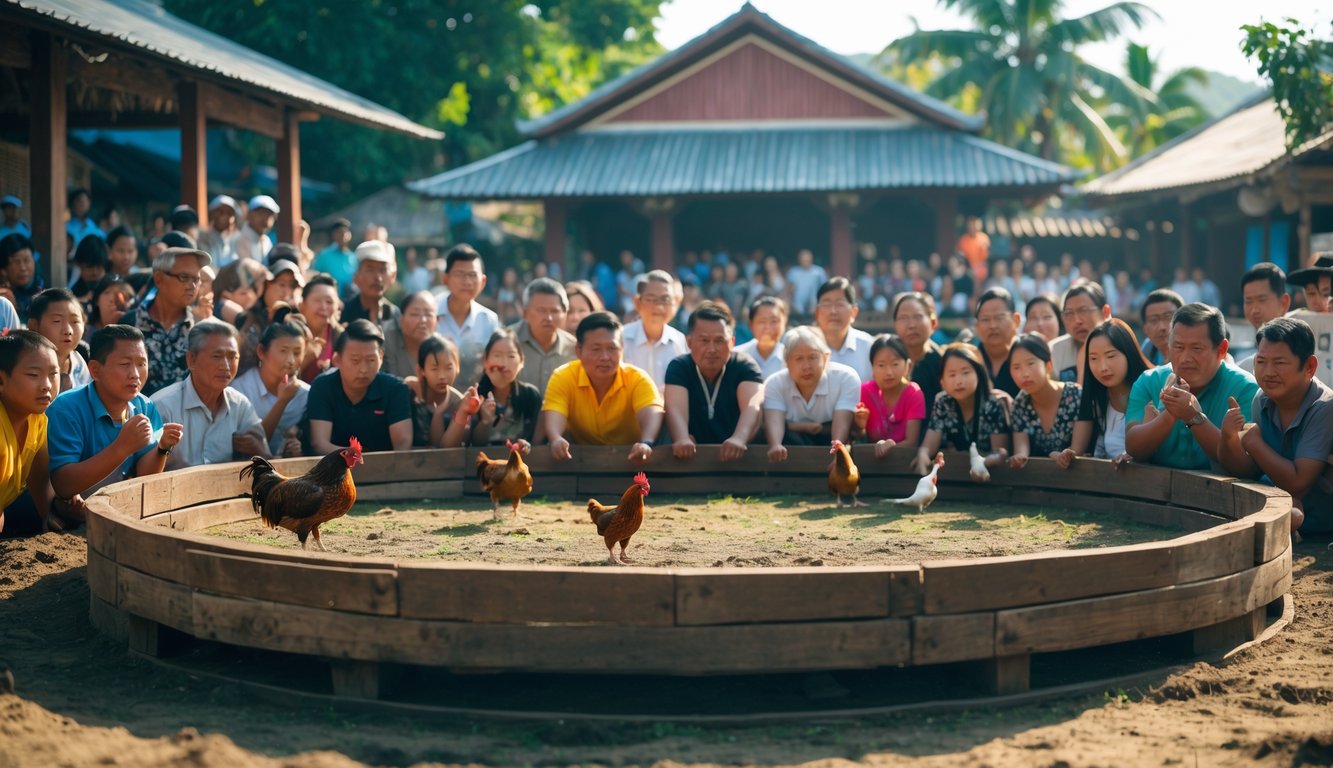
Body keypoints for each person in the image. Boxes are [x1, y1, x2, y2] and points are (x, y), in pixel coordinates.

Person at [1219, 317, 1332, 536]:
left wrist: (1253, 442)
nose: (1268, 372)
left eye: (1279, 363)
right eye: (1261, 362)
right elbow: (1248, 469)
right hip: (1283, 503)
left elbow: (1299, 484)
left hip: (1321, 521)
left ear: (1309, 367)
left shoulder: (1325, 407)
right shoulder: (1262, 399)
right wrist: (1229, 437)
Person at [46, 325, 183, 500]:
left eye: (141, 364)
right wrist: (122, 447)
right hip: (71, 517)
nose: (135, 374)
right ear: (95, 370)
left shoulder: (144, 406)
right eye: (125, 364)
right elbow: (63, 485)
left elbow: (145, 476)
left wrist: (163, 448)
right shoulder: (66, 408)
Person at [1125, 303, 1259, 470]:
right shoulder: (1149, 381)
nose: (1185, 358)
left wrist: (1194, 417)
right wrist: (1169, 415)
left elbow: (1244, 466)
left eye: (1196, 348)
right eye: (1179, 347)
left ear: (1222, 349)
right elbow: (1134, 448)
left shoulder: (1246, 388)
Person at [542, 311, 664, 462]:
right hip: (581, 462)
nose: (605, 357)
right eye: (596, 349)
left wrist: (646, 443)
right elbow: (554, 415)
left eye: (612, 348)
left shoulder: (637, 378)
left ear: (622, 349)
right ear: (578, 351)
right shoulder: (563, 376)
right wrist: (555, 439)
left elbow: (652, 412)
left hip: (631, 460)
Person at [151, 320, 267, 469]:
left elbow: (264, 460)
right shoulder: (162, 406)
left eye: (232, 357)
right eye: (217, 356)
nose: (226, 366)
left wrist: (258, 450)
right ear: (191, 360)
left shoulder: (240, 405)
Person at [663, 301, 763, 461]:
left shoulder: (745, 366)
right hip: (692, 457)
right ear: (689, 342)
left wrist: (739, 438)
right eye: (704, 340)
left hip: (740, 458)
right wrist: (682, 438)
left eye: (719, 341)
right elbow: (674, 409)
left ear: (732, 342)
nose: (711, 349)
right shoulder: (679, 367)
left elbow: (753, 407)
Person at [114, 247, 211, 396]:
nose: (192, 286)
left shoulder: (200, 329)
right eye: (184, 277)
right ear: (159, 279)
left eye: (196, 279)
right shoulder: (129, 323)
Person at [306, 319, 412, 454]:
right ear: (337, 360)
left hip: (386, 470)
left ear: (381, 357)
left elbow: (403, 444)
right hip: (335, 470)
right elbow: (320, 444)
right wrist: (357, 458)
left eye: (371, 360)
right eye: (355, 360)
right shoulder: (322, 387)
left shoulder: (396, 389)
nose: (363, 369)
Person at [1061, 318, 1152, 466]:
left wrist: (1133, 454)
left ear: (1128, 353)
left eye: (1110, 356)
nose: (1102, 367)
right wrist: (1069, 454)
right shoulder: (1097, 398)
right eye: (1093, 358)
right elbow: (1082, 450)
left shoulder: (1152, 389)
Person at [762, 326, 859, 461]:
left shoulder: (846, 378)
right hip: (790, 451)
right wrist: (775, 445)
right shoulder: (774, 383)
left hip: (830, 442)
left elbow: (842, 424)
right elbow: (774, 421)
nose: (806, 366)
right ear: (787, 362)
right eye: (799, 358)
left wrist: (837, 456)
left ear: (825, 358)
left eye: (812, 357)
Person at [912, 343, 1010, 475]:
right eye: (952, 375)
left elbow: (1000, 451)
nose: (958, 381)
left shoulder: (993, 403)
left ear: (978, 374)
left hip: (992, 477)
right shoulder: (942, 401)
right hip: (953, 475)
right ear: (942, 381)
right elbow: (929, 444)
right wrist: (923, 454)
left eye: (965, 372)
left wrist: (983, 464)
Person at [0, 332, 64, 537]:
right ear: (1, 380)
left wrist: (52, 518)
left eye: (53, 374)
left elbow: (41, 483)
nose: (47, 385)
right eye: (33, 375)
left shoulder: (38, 421)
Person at [229, 312, 310, 458]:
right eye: (283, 351)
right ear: (261, 352)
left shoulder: (306, 394)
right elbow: (248, 444)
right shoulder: (239, 390)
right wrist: (282, 402)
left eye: (297, 352)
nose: (291, 360)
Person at [1007, 333, 1082, 467]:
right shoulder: (1020, 402)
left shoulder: (1076, 395)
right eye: (1016, 367)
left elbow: (1078, 452)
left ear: (1048, 365)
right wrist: (1018, 458)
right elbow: (1021, 450)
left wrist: (1063, 455)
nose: (1024, 374)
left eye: (1030, 364)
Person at [435, 244, 501, 388]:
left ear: (483, 281)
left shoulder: (488, 320)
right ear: (445, 279)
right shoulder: (430, 313)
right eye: (459, 274)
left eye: (472, 275)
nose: (467, 282)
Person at [470, 328, 542, 448]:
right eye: (497, 356)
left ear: (521, 362)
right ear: (485, 362)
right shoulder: (476, 396)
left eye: (511, 356)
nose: (504, 363)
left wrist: (525, 447)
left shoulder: (530, 395)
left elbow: (535, 442)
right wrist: (486, 421)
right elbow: (474, 444)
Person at [858, 334, 926, 459]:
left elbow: (912, 442)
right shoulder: (865, 391)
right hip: (868, 462)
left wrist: (889, 446)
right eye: (881, 365)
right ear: (872, 368)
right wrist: (859, 427)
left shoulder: (913, 393)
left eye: (895, 364)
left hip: (903, 462)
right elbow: (856, 437)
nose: (888, 372)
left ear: (908, 366)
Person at [621, 270, 688, 392]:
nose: (659, 307)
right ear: (637, 302)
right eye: (651, 299)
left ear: (675, 302)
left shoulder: (680, 341)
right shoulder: (621, 338)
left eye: (665, 299)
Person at [236, 257, 304, 374]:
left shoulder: (296, 322)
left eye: (292, 286)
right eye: (282, 284)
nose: (286, 292)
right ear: (266, 285)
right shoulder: (248, 319)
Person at [513, 277, 577, 396]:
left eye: (554, 311)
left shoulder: (574, 348)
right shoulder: (508, 342)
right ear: (525, 313)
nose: (548, 318)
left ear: (565, 314)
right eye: (541, 311)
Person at [404, 335, 469, 448]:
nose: (442, 376)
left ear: (457, 368)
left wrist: (438, 414)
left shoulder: (458, 402)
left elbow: (439, 449)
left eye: (448, 368)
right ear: (421, 370)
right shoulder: (411, 389)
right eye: (434, 369)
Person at [26, 288, 89, 393]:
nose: (68, 331)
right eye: (57, 321)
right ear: (34, 325)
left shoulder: (79, 362)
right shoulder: (25, 362)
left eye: (75, 321)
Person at [1049, 281, 1112, 384]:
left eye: (1083, 311)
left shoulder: (1120, 344)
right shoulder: (1054, 350)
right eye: (1069, 313)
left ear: (1105, 312)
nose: (1077, 321)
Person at [892, 292, 944, 415]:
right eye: (903, 318)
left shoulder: (943, 363)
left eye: (918, 317)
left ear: (933, 323)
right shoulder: (886, 359)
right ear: (894, 325)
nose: (911, 325)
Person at [813, 277, 873, 382]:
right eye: (826, 304)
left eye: (839, 304)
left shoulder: (868, 346)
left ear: (854, 312)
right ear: (817, 312)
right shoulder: (805, 346)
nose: (833, 311)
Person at [1237, 263, 1291, 373]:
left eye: (1262, 300)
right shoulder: (1242, 365)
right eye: (1248, 301)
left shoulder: (1300, 354)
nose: (1254, 310)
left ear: (1284, 303)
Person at [972, 287, 1022, 398]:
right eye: (985, 319)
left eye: (999, 318)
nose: (992, 325)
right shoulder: (969, 359)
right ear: (977, 326)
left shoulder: (1029, 356)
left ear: (1016, 320)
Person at [382, 291, 441, 379]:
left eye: (429, 314)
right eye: (415, 314)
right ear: (401, 320)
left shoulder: (441, 348)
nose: (423, 320)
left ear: (437, 321)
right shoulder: (386, 339)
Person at [342, 240, 400, 328]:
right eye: (370, 270)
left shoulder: (395, 315)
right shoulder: (343, 313)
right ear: (356, 277)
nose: (378, 278)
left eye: (383, 270)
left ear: (392, 277)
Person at [298, 273, 343, 383]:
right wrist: (305, 360)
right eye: (317, 300)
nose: (323, 307)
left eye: (329, 302)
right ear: (302, 305)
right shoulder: (289, 335)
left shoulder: (342, 338)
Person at [735, 296, 788, 381]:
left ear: (784, 323)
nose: (768, 328)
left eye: (774, 321)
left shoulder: (790, 358)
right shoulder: (737, 356)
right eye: (762, 321)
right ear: (751, 325)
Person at [0, 233, 42, 317]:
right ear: (3, 270)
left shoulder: (43, 291)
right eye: (17, 262)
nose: (23, 268)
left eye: (27, 260)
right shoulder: (3, 298)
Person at [1139, 289, 1183, 367]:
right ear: (1145, 329)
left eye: (1168, 317)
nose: (1162, 327)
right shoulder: (1148, 349)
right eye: (1153, 320)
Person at [311, 218, 357, 291]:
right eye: (339, 232)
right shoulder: (324, 256)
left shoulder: (354, 257)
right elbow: (313, 275)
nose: (343, 235)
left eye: (345, 232)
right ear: (333, 235)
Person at [84, 276, 135, 341]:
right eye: (107, 293)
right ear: (96, 300)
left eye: (120, 294)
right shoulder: (85, 332)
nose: (112, 299)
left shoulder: (136, 326)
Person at [197, 195, 240, 268]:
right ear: (211, 213)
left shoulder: (238, 239)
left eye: (229, 213)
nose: (223, 216)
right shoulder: (202, 237)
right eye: (220, 211)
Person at [234, 195, 278, 264]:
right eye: (261, 213)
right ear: (249, 215)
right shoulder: (238, 239)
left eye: (269, 214)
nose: (265, 218)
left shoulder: (266, 241)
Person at [785, 248, 827, 316]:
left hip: (815, 306)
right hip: (797, 306)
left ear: (811, 259)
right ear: (799, 259)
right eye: (803, 259)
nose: (805, 261)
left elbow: (824, 288)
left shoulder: (819, 272)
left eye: (807, 259)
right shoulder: (793, 272)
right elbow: (789, 289)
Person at [69, 235, 109, 302]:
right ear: (79, 265)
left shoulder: (112, 287)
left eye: (99, 267)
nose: (94, 272)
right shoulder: (74, 294)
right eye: (89, 267)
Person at [957, 216, 991, 281]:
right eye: (970, 225)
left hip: (981, 268)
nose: (972, 227)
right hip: (967, 269)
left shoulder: (984, 238)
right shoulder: (963, 240)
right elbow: (960, 258)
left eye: (974, 225)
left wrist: (976, 268)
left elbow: (987, 259)